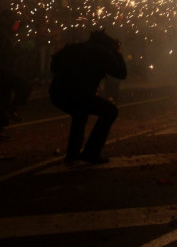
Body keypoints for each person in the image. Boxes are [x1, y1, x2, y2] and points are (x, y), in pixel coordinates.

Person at [49, 29, 127, 164]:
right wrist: (117, 53)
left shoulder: (75, 47)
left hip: (57, 92)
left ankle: (72, 155)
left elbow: (54, 64)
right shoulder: (103, 52)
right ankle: (91, 153)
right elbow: (121, 73)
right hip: (78, 93)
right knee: (110, 111)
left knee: (80, 114)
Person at [0, 10, 27, 141]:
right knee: (24, 86)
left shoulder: (6, 34)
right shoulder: (0, 36)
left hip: (4, 70)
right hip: (2, 72)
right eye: (16, 22)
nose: (17, 24)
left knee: (2, 101)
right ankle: (12, 110)